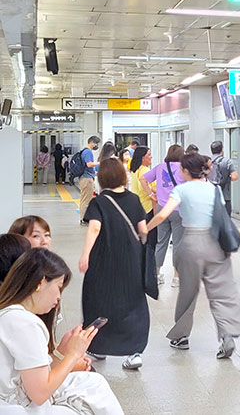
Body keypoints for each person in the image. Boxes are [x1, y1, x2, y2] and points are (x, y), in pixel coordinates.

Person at [0, 248, 123, 413]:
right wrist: (72, 354)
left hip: (14, 402)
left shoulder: (11, 315)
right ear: (40, 283)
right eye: (58, 287)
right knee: (93, 393)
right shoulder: (26, 323)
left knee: (93, 384)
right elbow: (39, 393)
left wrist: (62, 353)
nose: (59, 297)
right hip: (16, 407)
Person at [146, 153, 240, 359]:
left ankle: (181, 337)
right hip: (216, 244)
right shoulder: (214, 189)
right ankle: (227, 336)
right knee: (220, 292)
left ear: (184, 171)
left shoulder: (181, 189)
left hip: (191, 242)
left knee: (188, 292)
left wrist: (145, 229)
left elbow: (163, 214)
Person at [79, 158, 150, 371]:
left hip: (104, 258)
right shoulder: (134, 199)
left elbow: (94, 229)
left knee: (99, 299)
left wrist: (85, 255)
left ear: (102, 178)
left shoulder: (99, 202)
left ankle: (99, 346)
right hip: (131, 257)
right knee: (134, 301)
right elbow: (143, 231)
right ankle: (135, 352)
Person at [142, 144, 185, 287]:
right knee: (178, 244)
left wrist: (151, 194)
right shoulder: (183, 168)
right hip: (178, 209)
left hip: (161, 209)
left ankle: (156, 274)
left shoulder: (160, 167)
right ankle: (176, 278)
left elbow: (143, 179)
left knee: (161, 242)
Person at [129, 146, 158, 255]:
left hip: (139, 206)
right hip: (148, 207)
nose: (151, 157)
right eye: (149, 155)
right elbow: (144, 186)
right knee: (151, 238)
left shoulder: (135, 169)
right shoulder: (144, 170)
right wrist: (155, 192)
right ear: (142, 158)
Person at [208, 141, 239, 216]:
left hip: (210, 196)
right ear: (222, 150)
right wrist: (227, 178)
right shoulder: (227, 161)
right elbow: (235, 177)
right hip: (225, 196)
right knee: (226, 220)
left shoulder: (208, 161)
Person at [78, 136, 101, 226]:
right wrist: (101, 162)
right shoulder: (88, 152)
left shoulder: (84, 151)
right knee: (86, 200)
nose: (96, 145)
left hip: (85, 177)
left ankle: (84, 218)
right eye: (96, 143)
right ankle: (84, 219)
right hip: (87, 179)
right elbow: (89, 164)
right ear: (91, 142)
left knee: (86, 199)